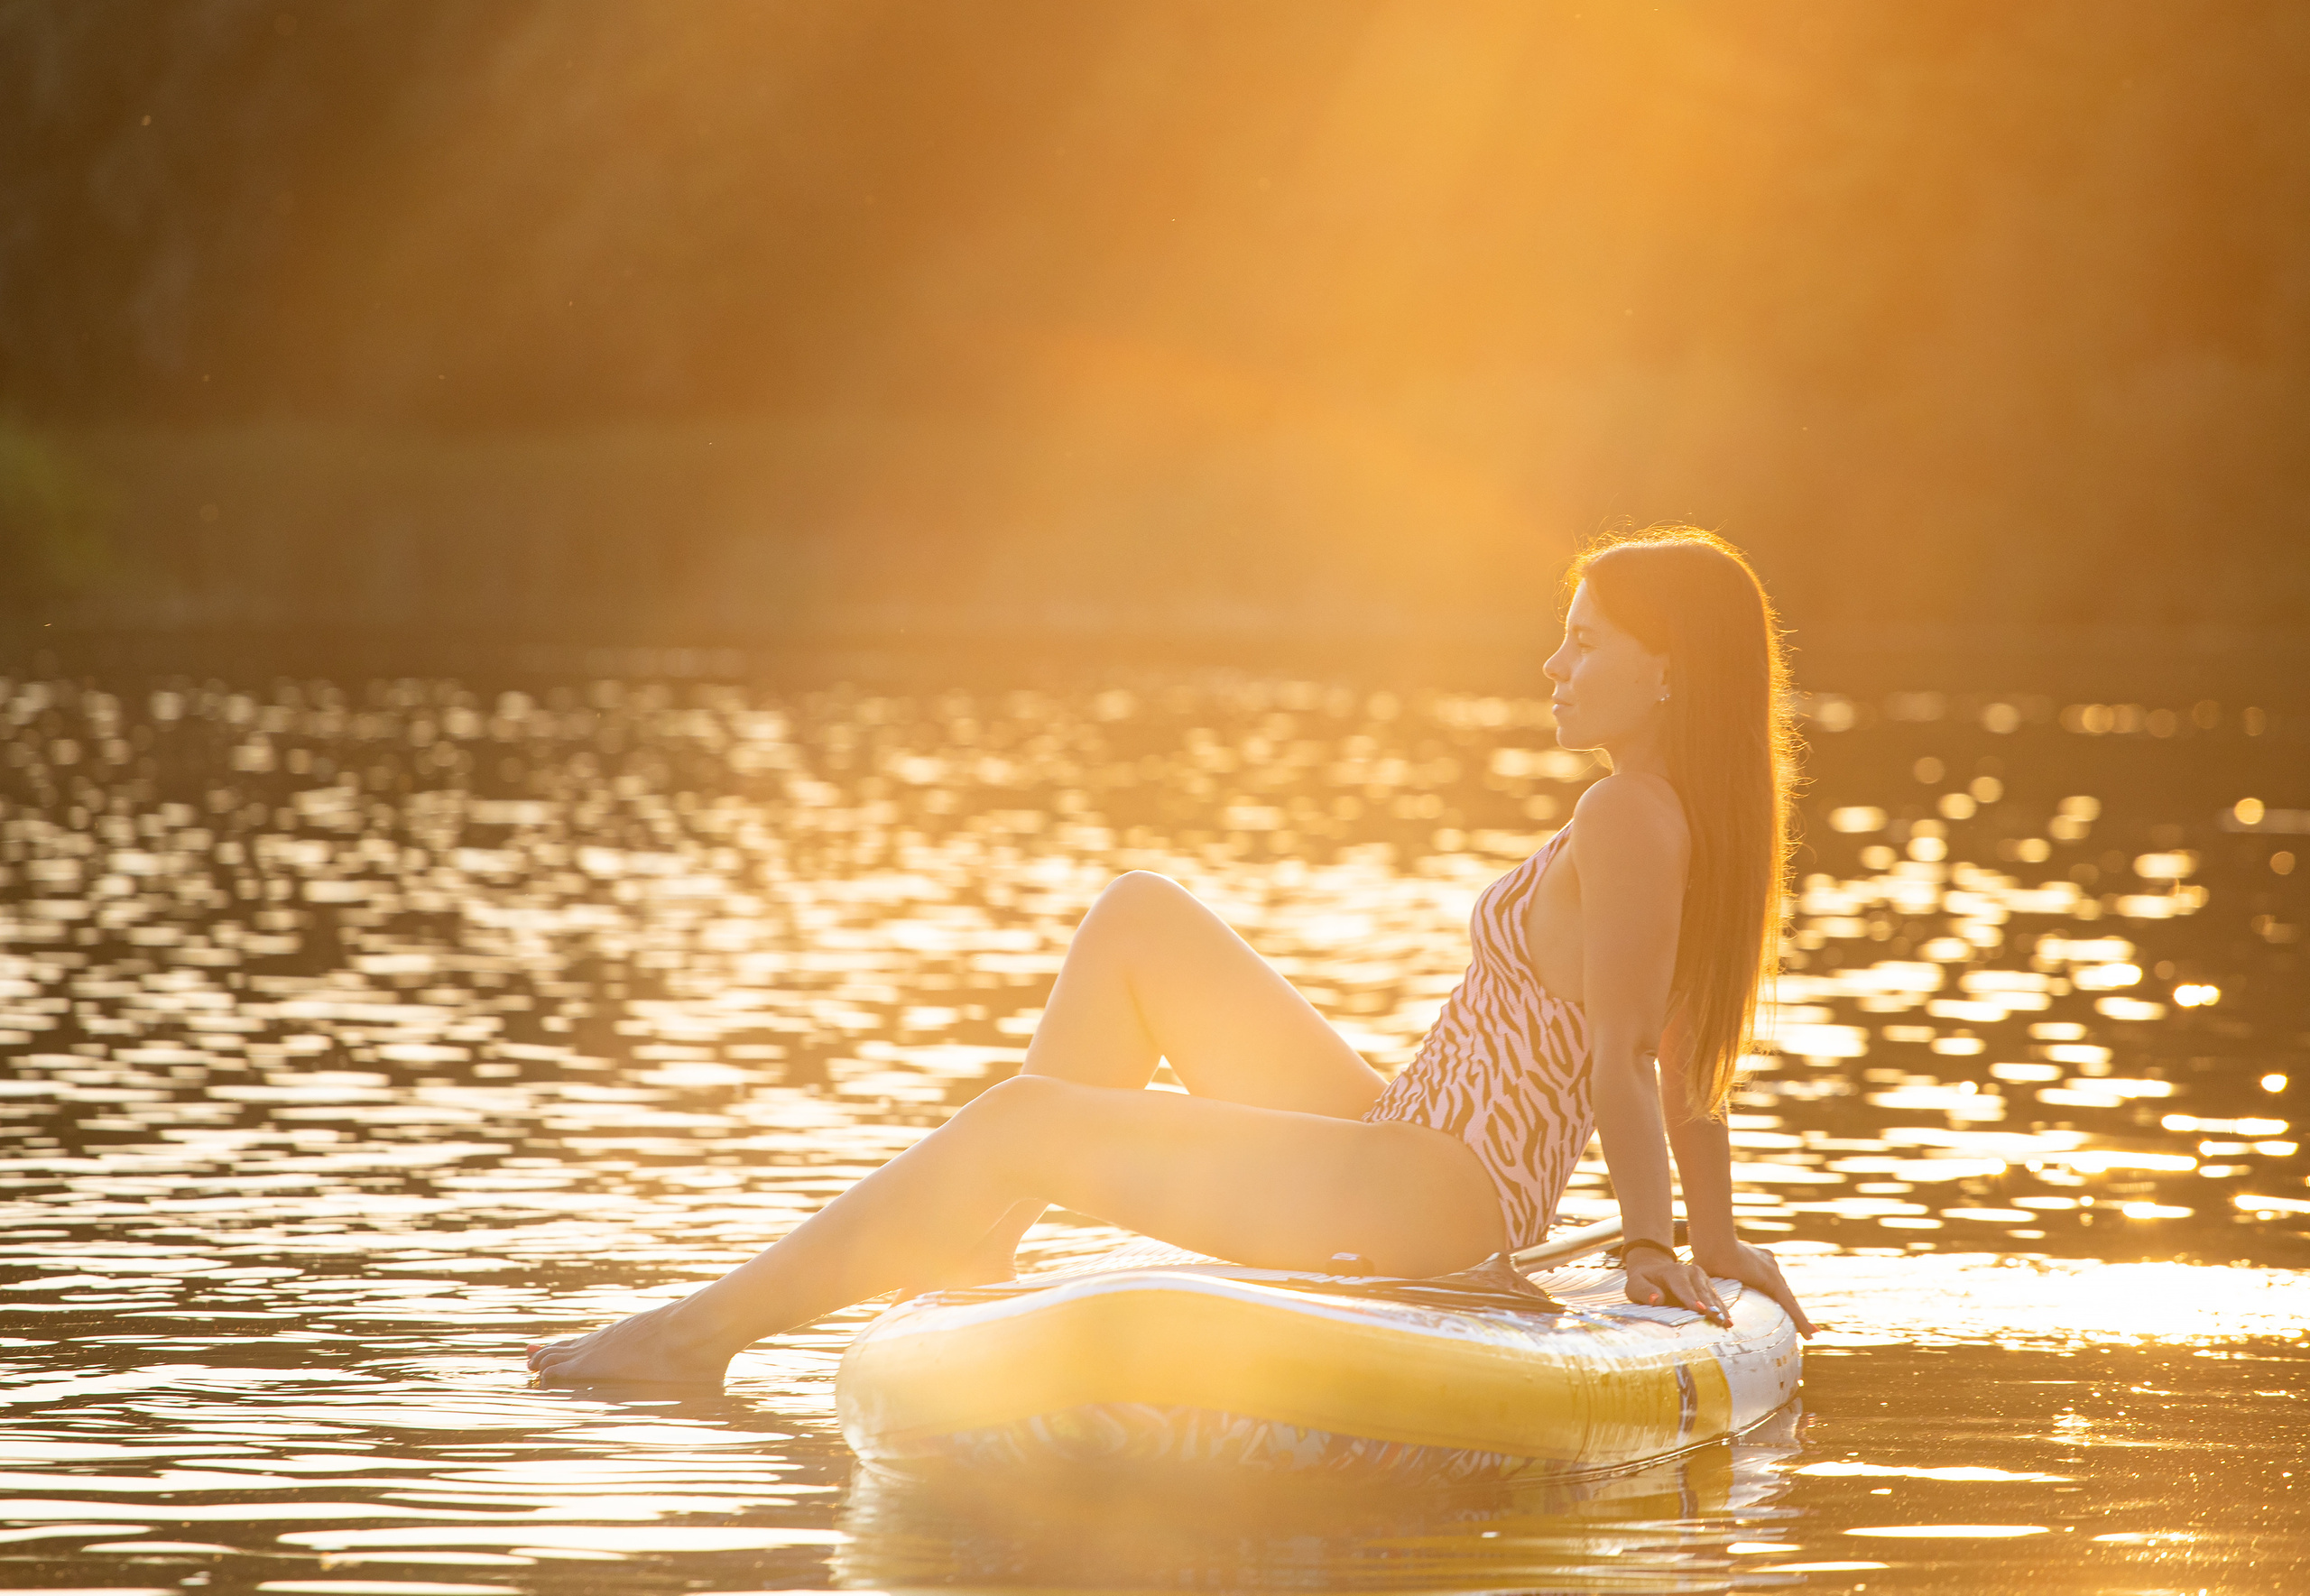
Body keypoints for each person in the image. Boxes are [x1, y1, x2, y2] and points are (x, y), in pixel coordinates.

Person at [527, 527, 1819, 1386]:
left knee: (1023, 1114)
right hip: (1411, 1139)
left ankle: (695, 1337)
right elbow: (1688, 1047)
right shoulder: (1666, 814)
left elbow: (1631, 1060)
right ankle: (982, 1243)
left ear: (1670, 670)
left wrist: (1658, 1248)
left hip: (1431, 1191)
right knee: (1140, 914)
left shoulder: (1627, 817)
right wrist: (1711, 1230)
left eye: (1587, 641)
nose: (1554, 662)